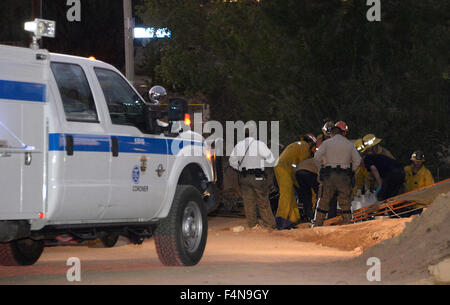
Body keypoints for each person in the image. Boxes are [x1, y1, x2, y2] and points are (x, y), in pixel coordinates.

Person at [313, 125, 361, 226]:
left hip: (329, 175)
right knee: (345, 202)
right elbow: (358, 160)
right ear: (341, 133)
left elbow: (316, 157)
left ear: (331, 134)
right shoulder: (349, 144)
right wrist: (352, 171)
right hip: (344, 175)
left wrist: (320, 169)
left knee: (324, 200)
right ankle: (348, 224)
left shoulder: (326, 143)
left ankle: (317, 224)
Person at [229, 131, 276, 231]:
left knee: (248, 202)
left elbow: (231, 161)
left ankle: (253, 225)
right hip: (258, 177)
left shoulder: (239, 145)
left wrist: (240, 168)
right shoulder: (259, 144)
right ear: (255, 135)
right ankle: (269, 225)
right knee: (263, 201)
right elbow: (271, 159)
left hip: (244, 177)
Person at [274, 134, 317, 229]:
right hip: (284, 169)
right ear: (311, 143)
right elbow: (303, 165)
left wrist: (298, 184)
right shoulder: (304, 146)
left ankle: (292, 220)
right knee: (286, 195)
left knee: (291, 196)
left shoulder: (297, 145)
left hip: (284, 168)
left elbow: (295, 166)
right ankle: (281, 220)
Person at [295, 157, 319, 222]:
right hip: (309, 173)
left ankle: (308, 216)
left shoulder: (310, 160)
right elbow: (320, 174)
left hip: (298, 173)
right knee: (320, 193)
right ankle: (317, 215)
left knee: (306, 195)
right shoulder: (322, 160)